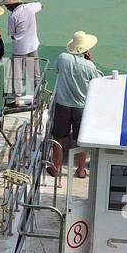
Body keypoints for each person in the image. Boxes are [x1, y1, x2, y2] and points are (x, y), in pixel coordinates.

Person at [48, 31, 102, 179]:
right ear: (86, 49)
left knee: (59, 137)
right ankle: (80, 170)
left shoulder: (63, 58)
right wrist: (90, 62)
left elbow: (58, 70)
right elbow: (96, 82)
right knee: (81, 139)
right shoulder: (90, 66)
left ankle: (56, 168)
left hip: (62, 104)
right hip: (81, 106)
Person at [1, 0, 42, 96]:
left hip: (19, 49)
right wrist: (26, 3)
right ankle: (37, 94)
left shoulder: (13, 16)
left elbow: (11, 34)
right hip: (33, 46)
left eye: (7, 5)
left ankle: (17, 97)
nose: (6, 8)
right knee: (34, 73)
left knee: (17, 75)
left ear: (12, 4)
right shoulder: (30, 8)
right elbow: (40, 4)